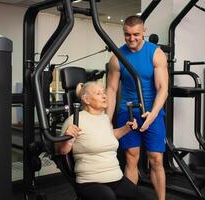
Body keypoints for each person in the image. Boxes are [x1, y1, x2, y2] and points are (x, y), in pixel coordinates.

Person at [106, 16, 168, 200]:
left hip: (153, 111)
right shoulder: (117, 57)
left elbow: (163, 88)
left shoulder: (155, 53)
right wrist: (106, 120)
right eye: (127, 35)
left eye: (136, 34)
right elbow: (111, 89)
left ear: (144, 31)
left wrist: (153, 113)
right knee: (131, 156)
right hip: (128, 111)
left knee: (156, 158)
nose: (131, 39)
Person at [56, 81, 152, 200]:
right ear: (86, 99)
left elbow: (108, 136)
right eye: (98, 93)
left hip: (116, 178)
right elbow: (62, 151)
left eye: (104, 92)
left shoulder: (104, 118)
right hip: (90, 181)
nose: (104, 96)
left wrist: (126, 128)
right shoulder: (74, 120)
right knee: (109, 197)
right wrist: (69, 138)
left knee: (142, 197)